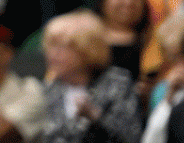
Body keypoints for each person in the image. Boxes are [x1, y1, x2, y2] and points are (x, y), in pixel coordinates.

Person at [39, 10, 143, 143]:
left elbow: (131, 137)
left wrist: (95, 117)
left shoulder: (117, 82)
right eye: (51, 45)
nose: (54, 54)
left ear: (88, 49)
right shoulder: (48, 89)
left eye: (63, 46)